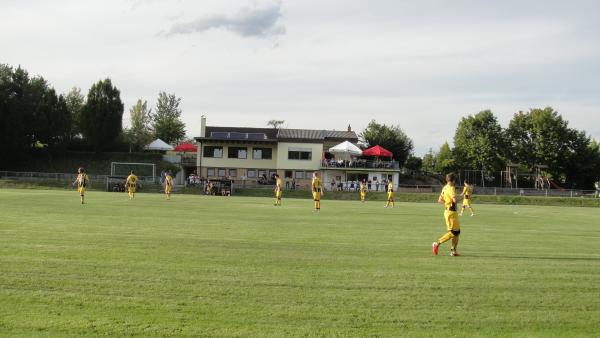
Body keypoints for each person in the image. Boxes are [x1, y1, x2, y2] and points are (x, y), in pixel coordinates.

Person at [432, 172, 461, 257]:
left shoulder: (445, 188)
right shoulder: (451, 188)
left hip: (449, 211)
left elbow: (439, 200)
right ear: (454, 180)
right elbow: (454, 200)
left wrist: (447, 203)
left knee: (457, 232)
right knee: (454, 232)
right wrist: (462, 197)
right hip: (451, 212)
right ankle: (437, 243)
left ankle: (453, 251)